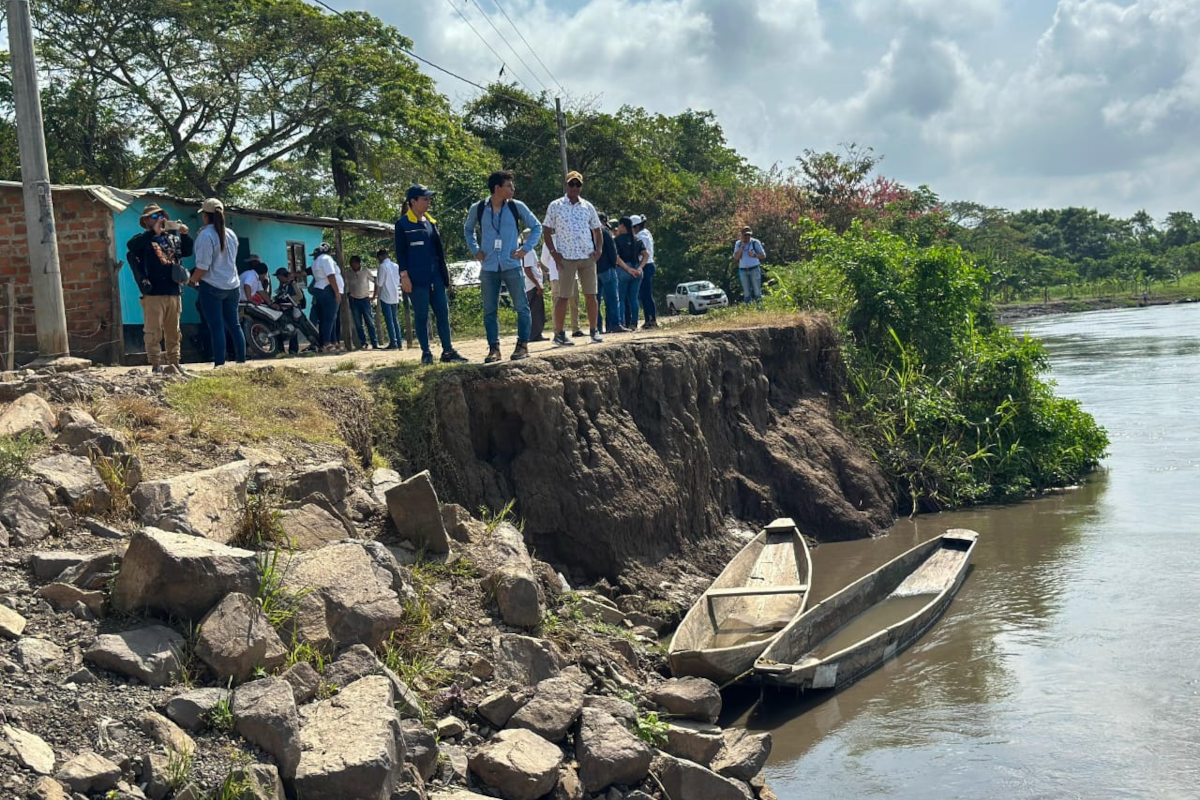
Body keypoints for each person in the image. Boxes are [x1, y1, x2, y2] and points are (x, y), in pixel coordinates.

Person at [464, 170, 543, 362]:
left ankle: (522, 345)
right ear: (497, 188)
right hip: (489, 266)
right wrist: (475, 249)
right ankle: (494, 348)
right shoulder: (479, 208)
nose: (513, 189)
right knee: (490, 309)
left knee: (522, 306)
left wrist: (525, 249)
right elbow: (468, 229)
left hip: (511, 264)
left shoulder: (517, 207)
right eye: (509, 185)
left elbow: (537, 227)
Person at [395, 184, 467, 365]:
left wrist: (445, 275)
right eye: (425, 199)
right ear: (413, 201)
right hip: (416, 279)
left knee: (443, 313)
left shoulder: (431, 223)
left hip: (436, 277)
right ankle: (426, 352)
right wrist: (404, 276)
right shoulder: (403, 225)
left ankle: (448, 351)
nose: (428, 202)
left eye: (429, 198)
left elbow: (438, 253)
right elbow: (400, 253)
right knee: (422, 315)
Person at [128, 203, 192, 373]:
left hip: (173, 291)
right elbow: (131, 246)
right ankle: (156, 364)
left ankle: (175, 362)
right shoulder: (143, 240)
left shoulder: (171, 239)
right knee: (153, 331)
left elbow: (187, 251)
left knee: (173, 331)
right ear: (146, 221)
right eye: (154, 217)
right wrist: (152, 233)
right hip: (153, 293)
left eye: (161, 216)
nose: (159, 220)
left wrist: (184, 234)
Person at [543, 170, 603, 346]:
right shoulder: (555, 205)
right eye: (571, 184)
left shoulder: (587, 206)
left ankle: (594, 330)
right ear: (566, 185)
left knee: (591, 294)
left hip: (586, 255)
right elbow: (546, 230)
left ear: (581, 187)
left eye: (578, 184)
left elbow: (597, 229)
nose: (575, 187)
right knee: (564, 296)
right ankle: (559, 333)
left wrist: (598, 250)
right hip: (566, 257)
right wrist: (554, 253)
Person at [188, 197, 245, 367]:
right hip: (233, 285)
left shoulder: (205, 236)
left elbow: (203, 266)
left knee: (216, 326)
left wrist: (192, 281)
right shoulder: (231, 234)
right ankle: (241, 360)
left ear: (205, 216)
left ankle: (220, 364)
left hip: (212, 286)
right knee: (234, 325)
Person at [271, 267, 319, 354]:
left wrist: (288, 299)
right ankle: (282, 349)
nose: (278, 279)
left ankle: (309, 345)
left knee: (303, 329)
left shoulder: (292, 284)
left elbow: (299, 296)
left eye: (279, 276)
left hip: (294, 309)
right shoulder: (282, 285)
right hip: (285, 310)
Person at [614, 217, 648, 330]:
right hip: (636, 269)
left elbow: (617, 257)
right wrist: (640, 268)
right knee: (634, 298)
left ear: (623, 226)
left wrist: (627, 269)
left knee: (621, 298)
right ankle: (634, 323)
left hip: (623, 270)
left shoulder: (617, 240)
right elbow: (646, 255)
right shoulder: (637, 240)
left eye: (619, 225)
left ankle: (622, 323)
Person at [542, 241, 581, 336]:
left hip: (572, 275)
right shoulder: (549, 241)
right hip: (556, 276)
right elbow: (544, 260)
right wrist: (553, 267)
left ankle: (575, 328)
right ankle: (558, 330)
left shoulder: (570, 238)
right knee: (557, 302)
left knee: (574, 301)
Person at [309, 242, 342, 352]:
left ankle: (332, 341)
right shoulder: (327, 259)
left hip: (321, 289)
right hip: (328, 290)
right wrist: (337, 293)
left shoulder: (316, 262)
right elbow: (331, 276)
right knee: (329, 318)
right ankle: (327, 343)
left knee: (328, 318)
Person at [595, 212, 622, 334]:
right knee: (612, 298)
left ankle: (597, 327)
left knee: (595, 300)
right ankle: (614, 325)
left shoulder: (586, 231)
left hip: (593, 270)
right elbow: (612, 250)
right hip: (607, 268)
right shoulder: (604, 231)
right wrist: (613, 264)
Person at [347, 255, 380, 350]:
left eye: (354, 264)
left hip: (365, 299)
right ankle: (363, 342)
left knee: (369, 322)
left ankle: (374, 342)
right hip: (354, 300)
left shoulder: (365, 271)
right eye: (351, 264)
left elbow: (375, 281)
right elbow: (344, 284)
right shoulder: (348, 273)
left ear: (358, 263)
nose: (352, 266)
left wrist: (374, 295)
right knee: (358, 323)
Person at [521, 228, 547, 342]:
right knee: (536, 311)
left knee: (537, 310)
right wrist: (537, 284)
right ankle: (534, 334)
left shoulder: (528, 250)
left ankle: (535, 333)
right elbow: (527, 269)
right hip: (532, 286)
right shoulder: (528, 251)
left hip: (533, 284)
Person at [632, 214, 658, 329]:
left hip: (645, 265)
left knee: (646, 294)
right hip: (648, 264)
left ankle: (651, 320)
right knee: (645, 294)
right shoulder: (646, 232)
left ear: (636, 227)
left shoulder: (641, 236)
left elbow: (639, 252)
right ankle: (649, 319)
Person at [374, 248, 403, 349]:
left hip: (386, 295)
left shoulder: (382, 267)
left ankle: (393, 342)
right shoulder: (396, 266)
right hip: (395, 295)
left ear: (380, 257)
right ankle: (399, 341)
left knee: (389, 320)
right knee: (395, 319)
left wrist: (375, 294)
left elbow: (380, 282)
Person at [734, 226, 766, 303]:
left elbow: (763, 255)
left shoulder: (755, 242)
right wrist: (741, 247)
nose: (747, 237)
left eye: (749, 235)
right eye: (745, 235)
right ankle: (748, 307)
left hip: (754, 269)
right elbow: (736, 257)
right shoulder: (738, 244)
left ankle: (760, 307)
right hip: (743, 270)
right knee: (746, 292)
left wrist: (754, 255)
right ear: (742, 235)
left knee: (757, 290)